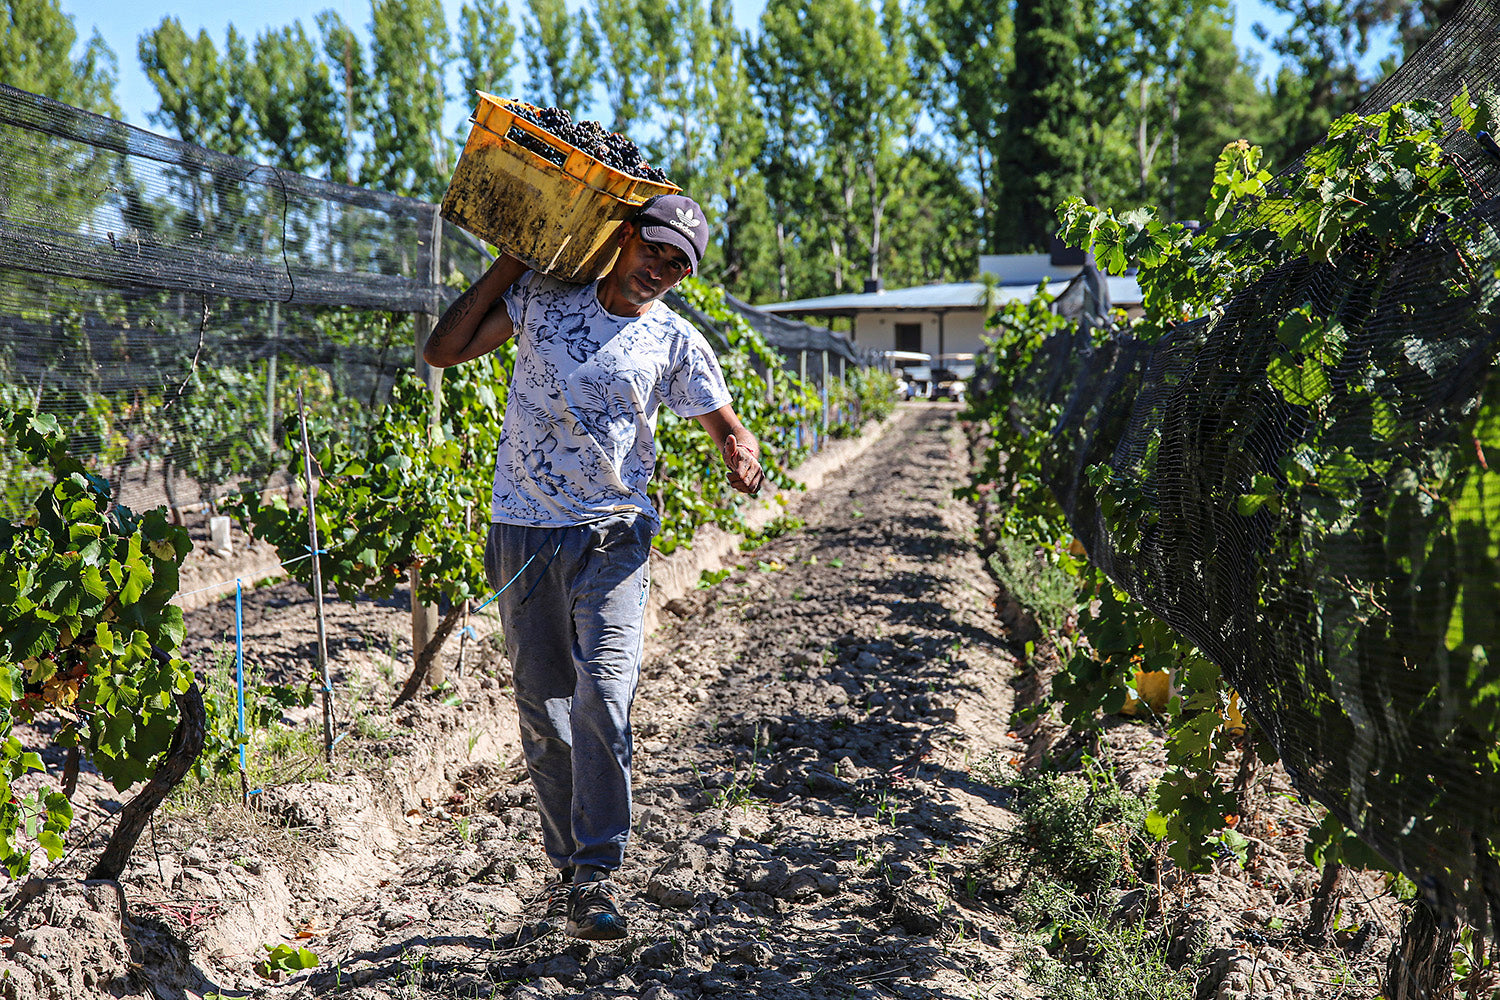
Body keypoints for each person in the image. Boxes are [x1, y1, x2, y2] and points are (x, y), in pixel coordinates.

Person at [422, 193, 765, 941]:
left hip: (613, 536)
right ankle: (569, 867)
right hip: (524, 529)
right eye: (655, 250)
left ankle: (597, 870)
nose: (661, 271)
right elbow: (441, 351)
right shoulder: (543, 300)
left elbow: (723, 420)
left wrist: (740, 448)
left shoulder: (673, 340)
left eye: (679, 265)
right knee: (545, 714)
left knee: (604, 698)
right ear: (625, 238)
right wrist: (515, 256)